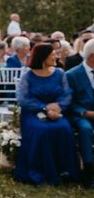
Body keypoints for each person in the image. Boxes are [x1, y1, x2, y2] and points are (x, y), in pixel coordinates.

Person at [15, 43, 79, 185]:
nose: (56, 56)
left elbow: (67, 93)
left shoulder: (59, 73)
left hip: (56, 111)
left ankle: (65, 170)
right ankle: (40, 171)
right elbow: (22, 99)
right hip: (33, 112)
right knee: (42, 130)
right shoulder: (28, 75)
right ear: (43, 57)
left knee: (64, 128)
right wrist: (44, 107)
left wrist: (58, 107)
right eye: (53, 54)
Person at [66, 39, 94, 188]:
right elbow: (69, 103)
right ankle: (89, 171)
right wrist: (85, 113)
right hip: (81, 115)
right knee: (85, 129)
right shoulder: (72, 75)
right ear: (92, 56)